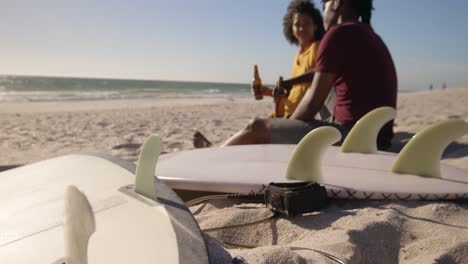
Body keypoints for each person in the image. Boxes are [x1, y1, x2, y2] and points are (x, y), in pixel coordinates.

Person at [202, 0, 398, 150]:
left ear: (337, 2)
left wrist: (284, 125)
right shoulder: (370, 35)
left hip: (353, 140)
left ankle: (216, 155)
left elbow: (312, 103)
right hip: (378, 138)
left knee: (256, 127)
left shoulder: (337, 34)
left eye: (324, 4)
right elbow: (319, 76)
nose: (324, 13)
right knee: (324, 87)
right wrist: (290, 84)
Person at [194, 0, 328, 148]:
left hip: (299, 117)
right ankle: (219, 148)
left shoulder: (316, 48)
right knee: (245, 132)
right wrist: (268, 92)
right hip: (285, 113)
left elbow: (318, 76)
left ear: (315, 25)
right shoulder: (299, 55)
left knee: (253, 128)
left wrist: (288, 83)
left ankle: (214, 151)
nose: (301, 27)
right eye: (297, 24)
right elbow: (293, 95)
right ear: (291, 28)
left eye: (306, 23)